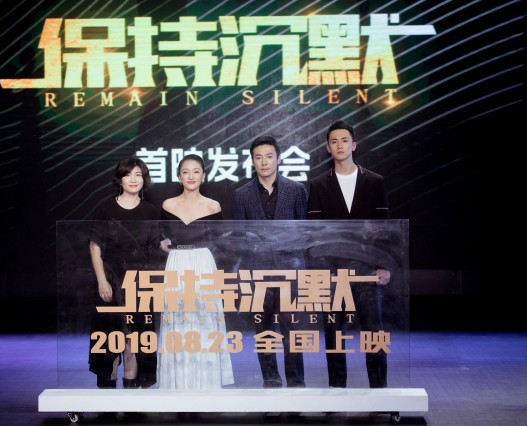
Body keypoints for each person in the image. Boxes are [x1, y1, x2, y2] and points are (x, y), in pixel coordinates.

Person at [306, 119, 391, 388]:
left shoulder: (374, 181)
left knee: (374, 331)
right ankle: (337, 389)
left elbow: (383, 227)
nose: (340, 145)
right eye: (334, 141)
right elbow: (315, 231)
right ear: (328, 148)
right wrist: (318, 273)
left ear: (354, 145)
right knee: (334, 333)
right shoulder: (319, 184)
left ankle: (379, 391)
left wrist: (383, 265)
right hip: (332, 271)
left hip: (367, 269)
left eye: (344, 140)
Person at [232, 135, 308, 388]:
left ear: (279, 158)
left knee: (292, 330)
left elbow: (304, 233)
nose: (264, 162)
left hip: (290, 271)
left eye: (268, 156)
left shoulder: (296, 190)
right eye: (258, 157)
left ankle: (296, 383)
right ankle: (271, 382)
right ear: (252, 161)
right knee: (263, 331)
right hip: (257, 272)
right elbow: (240, 237)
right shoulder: (241, 195)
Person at [157, 154, 234, 389]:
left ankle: (206, 382)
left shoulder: (213, 206)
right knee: (176, 318)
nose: (191, 176)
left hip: (203, 263)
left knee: (205, 318)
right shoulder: (168, 205)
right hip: (177, 262)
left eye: (196, 171)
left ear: (204, 176)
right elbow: (161, 238)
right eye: (185, 172)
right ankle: (177, 382)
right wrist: (164, 245)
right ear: (179, 176)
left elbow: (222, 240)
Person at [88, 157, 161, 389]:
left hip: (141, 283)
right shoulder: (106, 208)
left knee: (135, 339)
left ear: (144, 179)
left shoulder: (151, 211)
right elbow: (95, 246)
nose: (133, 179)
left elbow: (156, 246)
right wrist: (102, 281)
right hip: (111, 280)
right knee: (110, 339)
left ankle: (131, 393)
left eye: (138, 174)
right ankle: (108, 395)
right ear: (119, 179)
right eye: (128, 174)